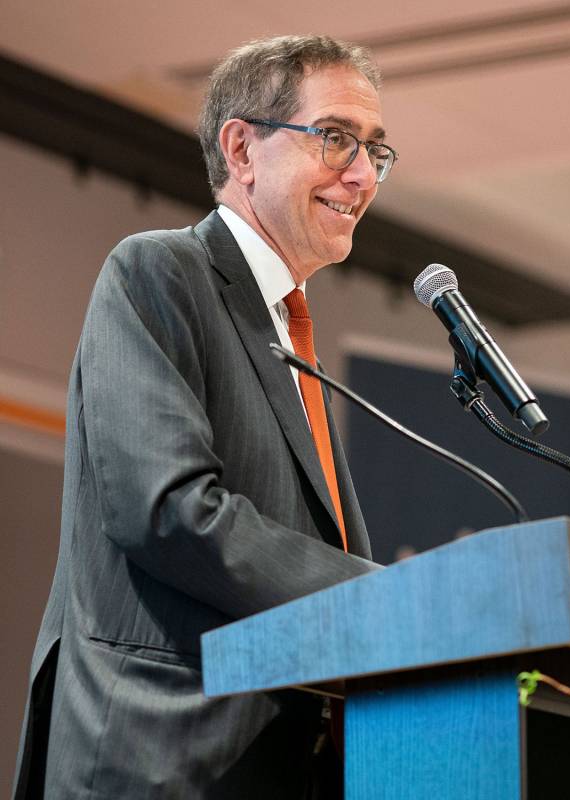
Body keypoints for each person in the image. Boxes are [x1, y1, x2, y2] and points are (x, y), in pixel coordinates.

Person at [13, 34, 398, 799]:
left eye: (376, 152)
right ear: (242, 149)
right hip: (162, 757)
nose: (361, 174)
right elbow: (171, 510)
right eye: (336, 139)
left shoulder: (291, 335)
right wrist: (386, 601)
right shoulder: (158, 271)